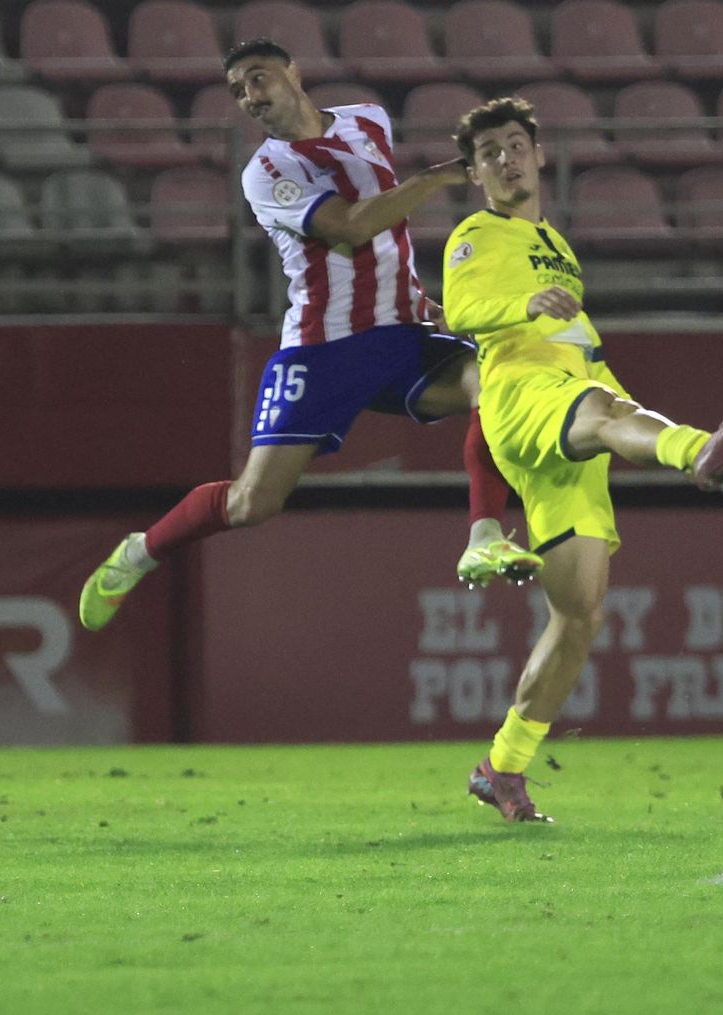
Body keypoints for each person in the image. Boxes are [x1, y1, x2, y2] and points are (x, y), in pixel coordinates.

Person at [79, 39, 540, 633]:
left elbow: (385, 239)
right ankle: (137, 553)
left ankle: (485, 538)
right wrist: (438, 179)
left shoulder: (367, 120)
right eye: (239, 90)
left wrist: (417, 293)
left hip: (401, 332)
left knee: (498, 385)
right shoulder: (266, 172)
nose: (251, 96)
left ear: (293, 73)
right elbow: (350, 229)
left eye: (259, 78)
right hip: (326, 350)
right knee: (252, 504)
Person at [444, 97, 723, 823]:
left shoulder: (559, 245)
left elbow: (575, 334)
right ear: (475, 174)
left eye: (514, 145)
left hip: (573, 395)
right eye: (489, 152)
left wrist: (582, 354)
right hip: (522, 394)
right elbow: (462, 313)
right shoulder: (476, 234)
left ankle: (500, 766)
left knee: (579, 615)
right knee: (608, 414)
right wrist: (523, 306)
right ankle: (700, 450)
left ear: (537, 155)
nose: (505, 158)